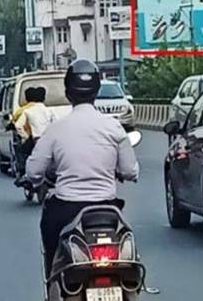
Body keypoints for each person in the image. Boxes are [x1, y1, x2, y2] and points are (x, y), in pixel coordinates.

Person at [26, 59, 139, 277]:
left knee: (50, 239)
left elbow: (33, 172)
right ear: (97, 91)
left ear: (68, 93)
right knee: (126, 248)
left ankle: (53, 280)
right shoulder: (113, 127)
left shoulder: (56, 129)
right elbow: (130, 170)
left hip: (65, 209)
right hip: (107, 208)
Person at [14, 86, 56, 187]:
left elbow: (18, 126)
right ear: (43, 98)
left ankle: (24, 175)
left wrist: (25, 136)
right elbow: (57, 124)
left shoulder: (27, 111)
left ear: (28, 99)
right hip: (50, 139)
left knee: (21, 151)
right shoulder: (49, 111)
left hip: (36, 139)